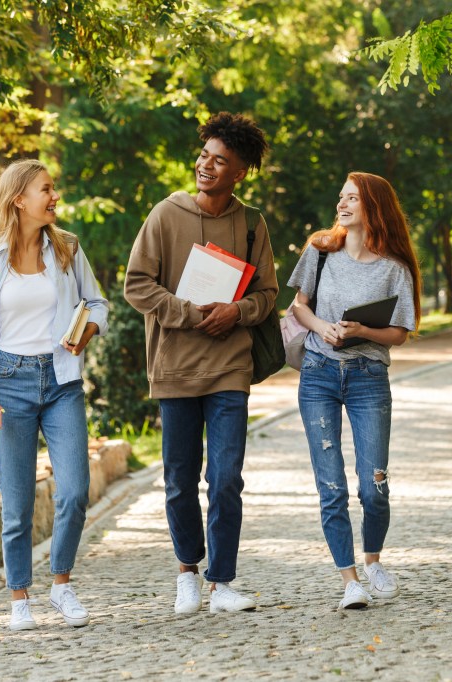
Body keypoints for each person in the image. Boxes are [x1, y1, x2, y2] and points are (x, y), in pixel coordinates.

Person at [123, 112, 276, 615]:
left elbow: (268, 295)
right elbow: (138, 285)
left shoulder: (252, 223)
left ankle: (222, 583)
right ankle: (187, 569)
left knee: (227, 477)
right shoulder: (164, 215)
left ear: (240, 172)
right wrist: (189, 315)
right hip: (175, 368)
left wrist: (237, 310)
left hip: (230, 367)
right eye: (204, 156)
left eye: (220, 161)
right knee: (179, 478)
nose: (206, 166)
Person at [0, 159, 108, 630]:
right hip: (9, 384)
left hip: (61, 382)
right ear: (19, 198)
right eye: (47, 189)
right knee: (17, 502)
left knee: (76, 490)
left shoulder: (67, 248)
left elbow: (98, 302)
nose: (55, 196)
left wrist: (85, 333)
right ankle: (19, 596)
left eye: (54, 188)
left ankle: (61, 585)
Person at [287, 172, 421, 610]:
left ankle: (374, 561)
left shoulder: (394, 268)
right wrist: (323, 327)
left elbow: (400, 333)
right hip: (319, 373)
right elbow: (298, 307)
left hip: (368, 377)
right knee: (331, 486)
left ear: (373, 207)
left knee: (373, 485)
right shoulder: (320, 251)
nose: (342, 204)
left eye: (352, 198)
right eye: (340, 196)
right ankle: (349, 579)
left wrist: (362, 329)